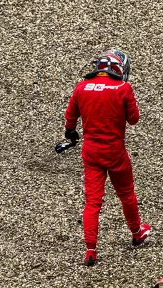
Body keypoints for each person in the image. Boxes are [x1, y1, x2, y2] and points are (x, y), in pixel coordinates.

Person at [63, 49, 151, 266]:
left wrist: (70, 131)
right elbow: (134, 119)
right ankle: (137, 232)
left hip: (90, 151)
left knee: (92, 201)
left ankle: (90, 250)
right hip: (114, 151)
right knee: (126, 193)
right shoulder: (123, 88)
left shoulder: (82, 86)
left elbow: (70, 117)